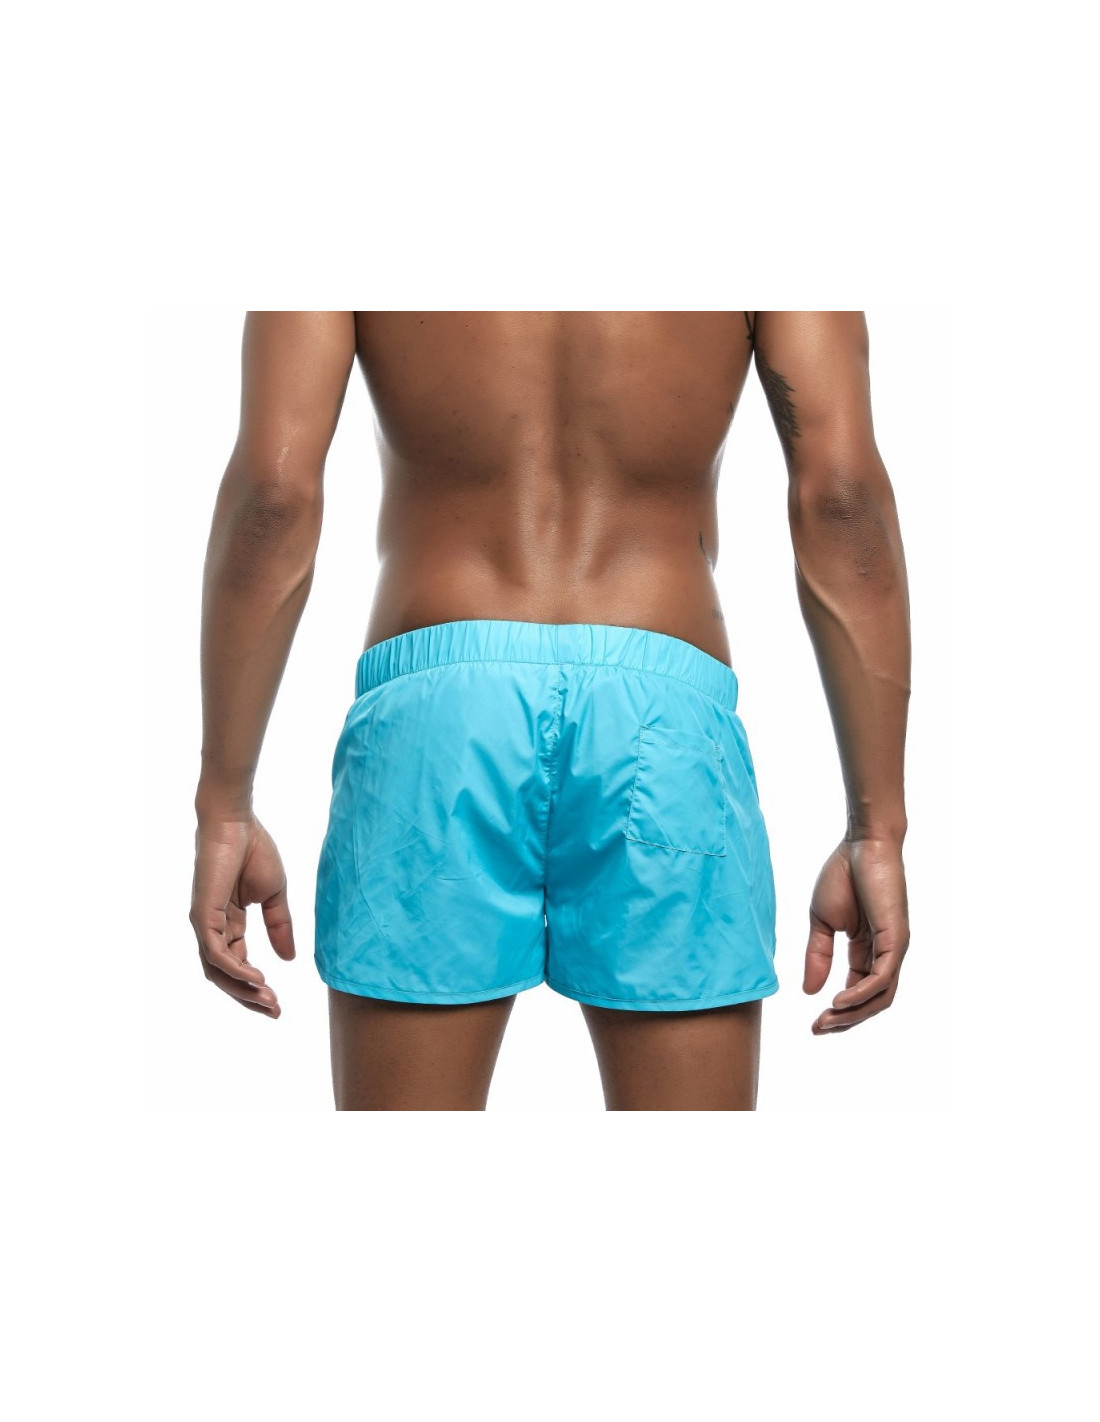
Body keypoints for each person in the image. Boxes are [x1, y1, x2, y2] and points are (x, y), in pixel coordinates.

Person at [189, 312, 911, 1112]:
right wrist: (876, 829)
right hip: (662, 718)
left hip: (439, 718)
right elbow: (842, 498)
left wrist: (224, 807)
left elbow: (274, 496)